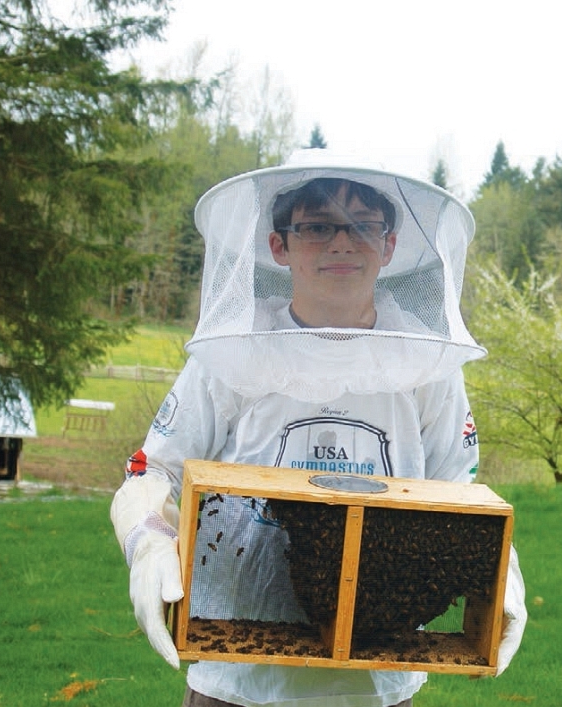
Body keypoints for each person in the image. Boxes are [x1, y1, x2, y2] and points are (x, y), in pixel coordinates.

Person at [110, 150, 527, 707]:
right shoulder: (231, 357)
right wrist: (147, 544)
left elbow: (462, 495)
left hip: (376, 681)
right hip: (239, 680)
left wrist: (504, 578)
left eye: (362, 225)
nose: (341, 242)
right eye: (316, 226)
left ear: (390, 244)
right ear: (278, 245)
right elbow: (152, 468)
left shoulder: (427, 366)